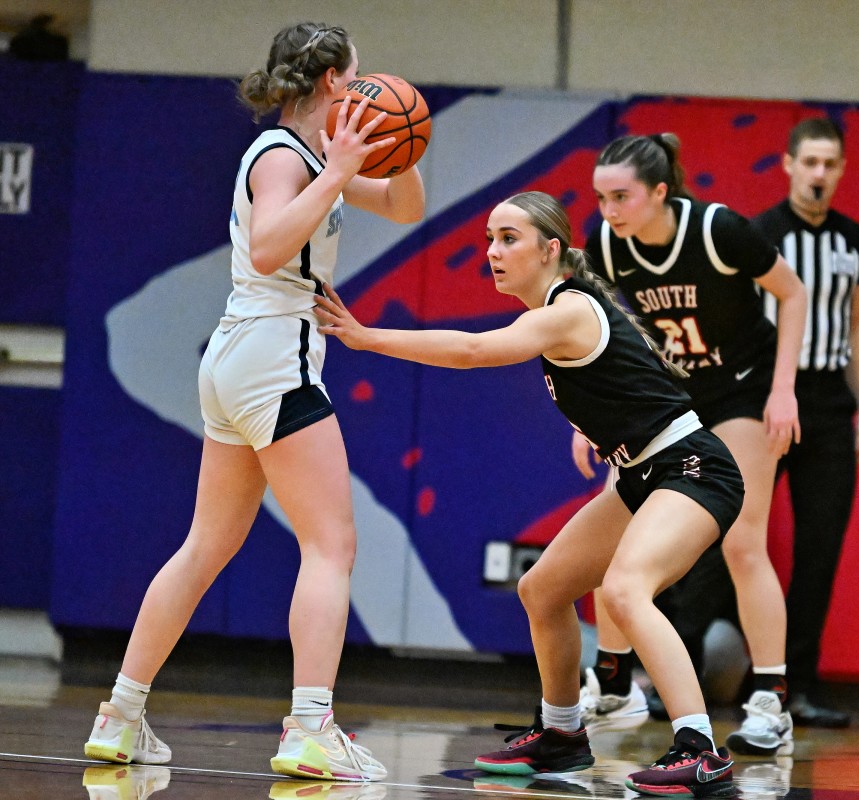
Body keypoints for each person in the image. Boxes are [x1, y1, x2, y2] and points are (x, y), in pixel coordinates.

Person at [82, 22, 425, 780]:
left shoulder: (313, 155)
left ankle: (121, 715)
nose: (367, 89)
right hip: (274, 348)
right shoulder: (281, 155)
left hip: (242, 356)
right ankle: (310, 727)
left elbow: (405, 209)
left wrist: (403, 140)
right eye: (360, 79)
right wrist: (337, 174)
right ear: (334, 80)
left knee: (207, 544)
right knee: (331, 546)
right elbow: (270, 246)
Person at [314, 190, 742, 797]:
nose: (492, 251)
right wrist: (591, 426)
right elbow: (624, 378)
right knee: (542, 589)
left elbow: (471, 350)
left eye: (508, 239)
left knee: (625, 588)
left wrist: (366, 337)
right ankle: (563, 734)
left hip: (692, 467)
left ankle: (701, 750)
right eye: (489, 238)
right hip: (643, 472)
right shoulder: (568, 313)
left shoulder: (564, 310)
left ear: (552, 250)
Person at [575, 133, 806, 757]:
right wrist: (587, 419)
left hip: (740, 392)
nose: (609, 210)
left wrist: (784, 389)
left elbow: (792, 294)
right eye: (600, 198)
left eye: (621, 196)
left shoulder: (719, 231)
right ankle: (615, 681)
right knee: (612, 528)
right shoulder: (607, 246)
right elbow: (593, 338)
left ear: (659, 192)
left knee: (742, 540)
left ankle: (770, 700)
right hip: (668, 398)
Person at [753, 116, 859, 728]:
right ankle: (686, 677)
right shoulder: (759, 234)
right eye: (810, 162)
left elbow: (855, 326)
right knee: (725, 538)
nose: (820, 173)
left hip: (829, 404)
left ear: (842, 170)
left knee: (819, 550)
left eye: (831, 163)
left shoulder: (856, 241)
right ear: (788, 164)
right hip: (766, 397)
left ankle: (794, 688)